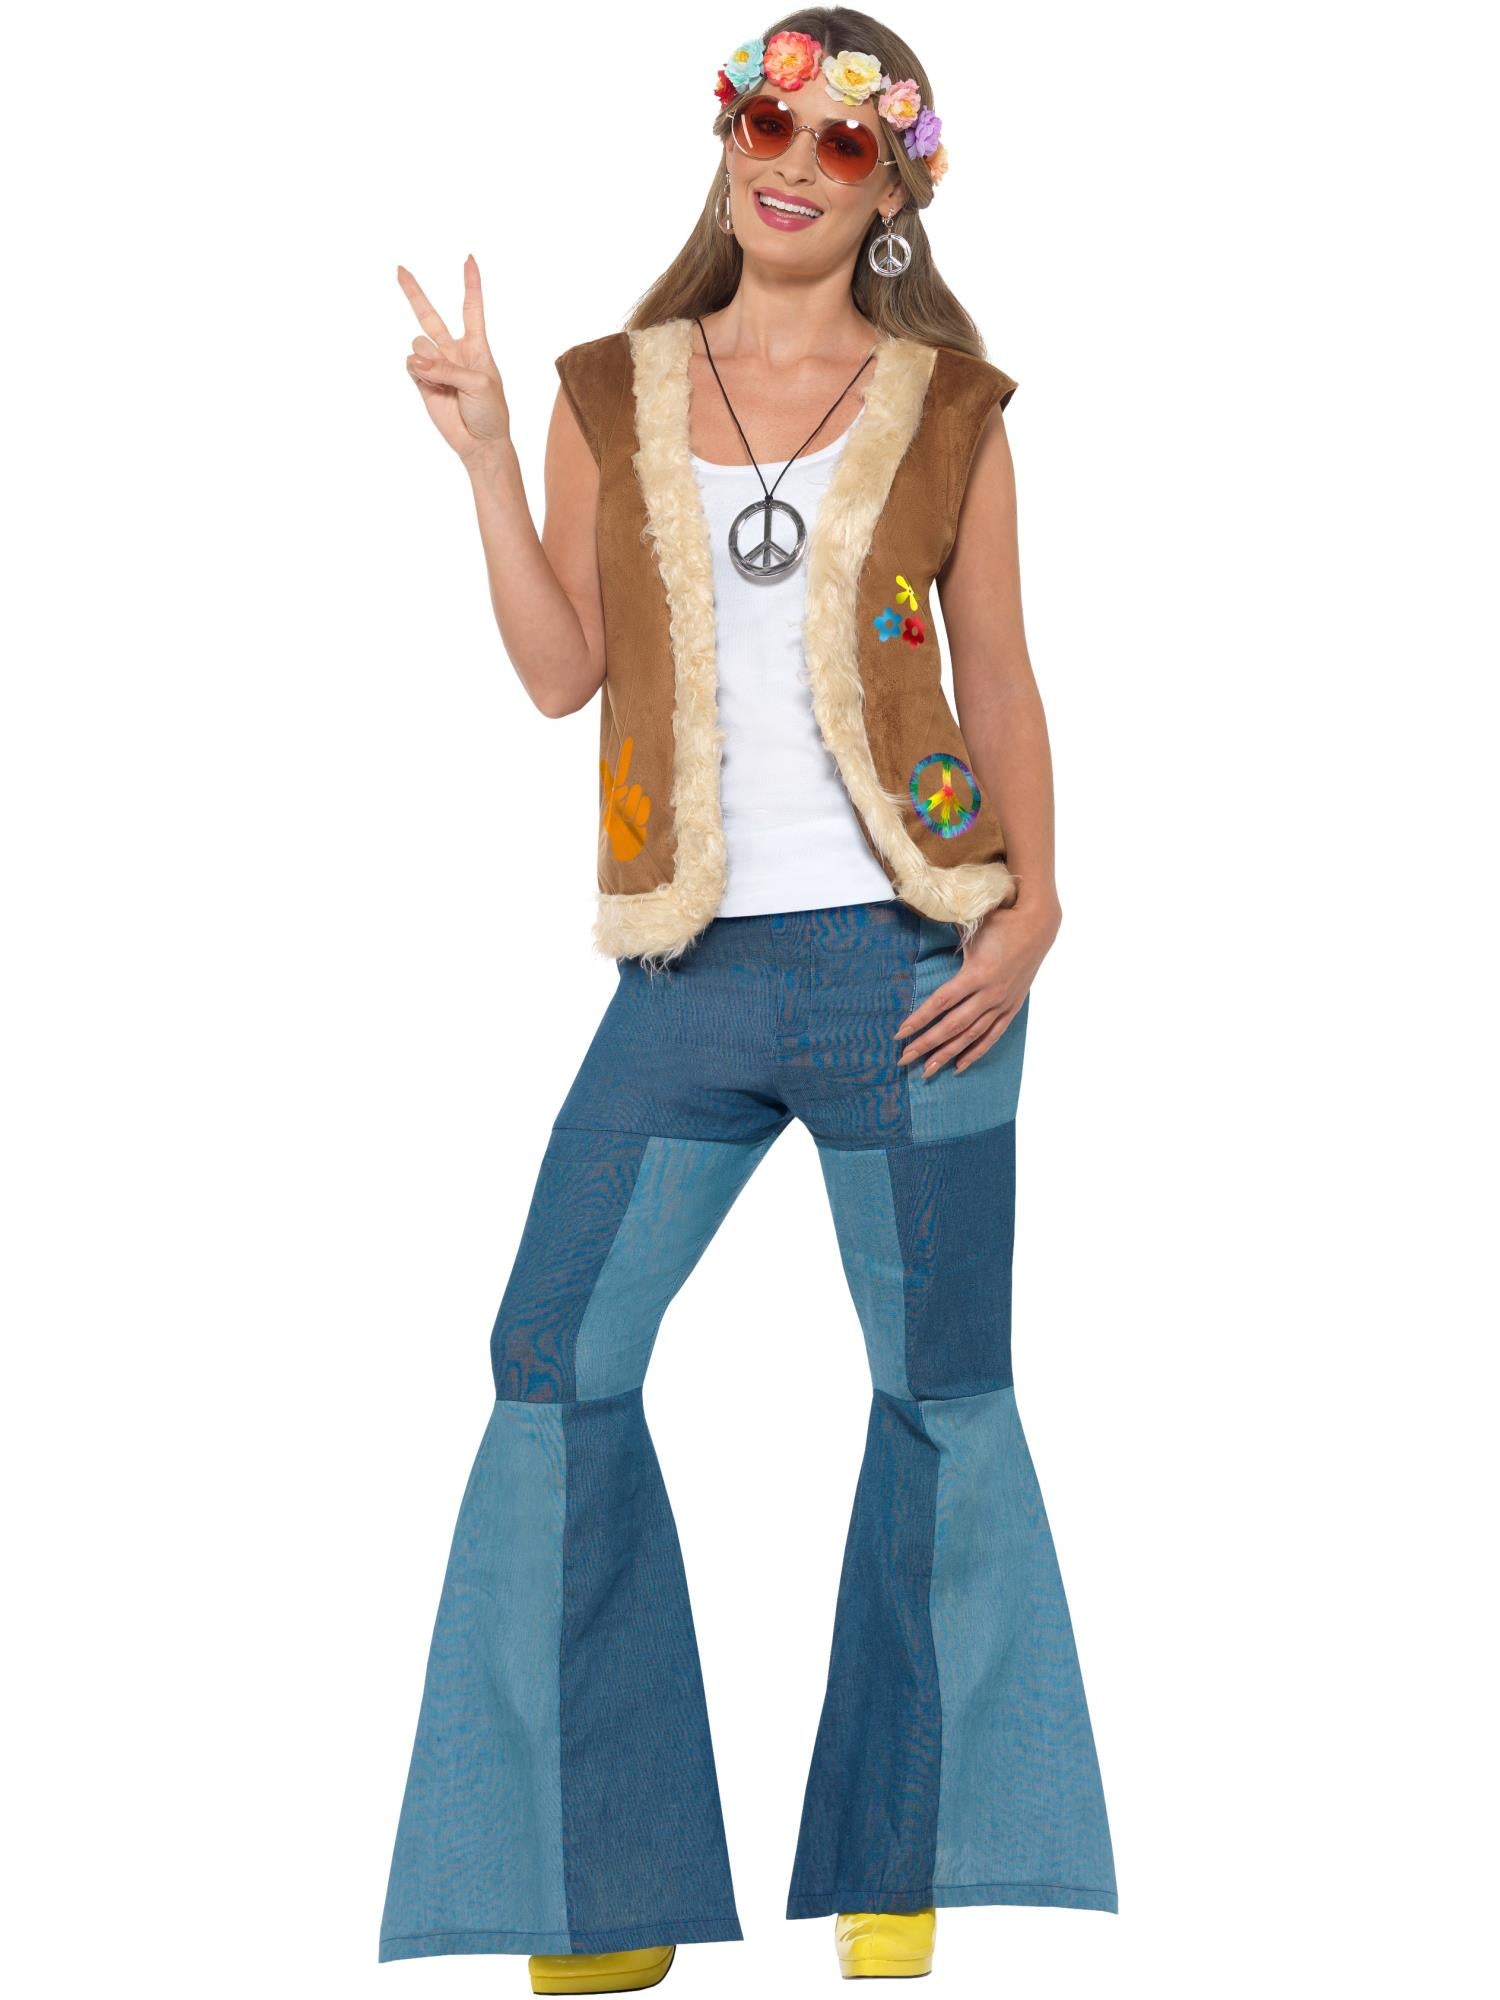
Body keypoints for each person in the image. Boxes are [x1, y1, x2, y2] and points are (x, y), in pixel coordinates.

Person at [380, 11, 1116, 1991]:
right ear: (726, 140)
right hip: (683, 978)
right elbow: (561, 675)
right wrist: (481, 458)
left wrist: (1035, 914)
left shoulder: (950, 406)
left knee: (942, 1396)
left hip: (918, 966)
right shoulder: (605, 392)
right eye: (767, 118)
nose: (793, 158)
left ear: (895, 189)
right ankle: (600, 1890)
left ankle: (905, 1858)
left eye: (841, 141)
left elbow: (1001, 671)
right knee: (550, 1358)